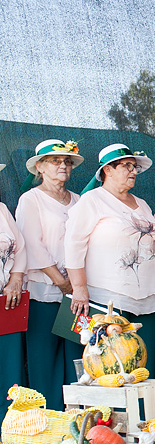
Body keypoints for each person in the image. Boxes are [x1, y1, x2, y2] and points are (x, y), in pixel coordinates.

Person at [65, 143, 155, 376]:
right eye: (127, 166)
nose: (133, 171)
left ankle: (144, 413)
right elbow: (73, 244)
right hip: (109, 297)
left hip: (147, 298)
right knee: (113, 363)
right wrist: (79, 288)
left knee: (142, 364)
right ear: (107, 170)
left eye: (135, 167)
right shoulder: (91, 200)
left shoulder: (143, 204)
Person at [15, 139, 85, 405]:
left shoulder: (79, 201)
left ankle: (79, 425)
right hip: (44, 292)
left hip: (77, 296)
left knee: (77, 360)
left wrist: (77, 286)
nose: (63, 166)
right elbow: (30, 244)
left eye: (67, 161)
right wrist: (61, 281)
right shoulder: (30, 199)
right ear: (40, 168)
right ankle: (49, 427)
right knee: (44, 362)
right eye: (55, 161)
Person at [0, 164, 27, 408]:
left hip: (6, 303)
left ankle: (9, 438)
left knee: (9, 378)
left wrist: (16, 279)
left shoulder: (1, 210)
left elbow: (20, 246)